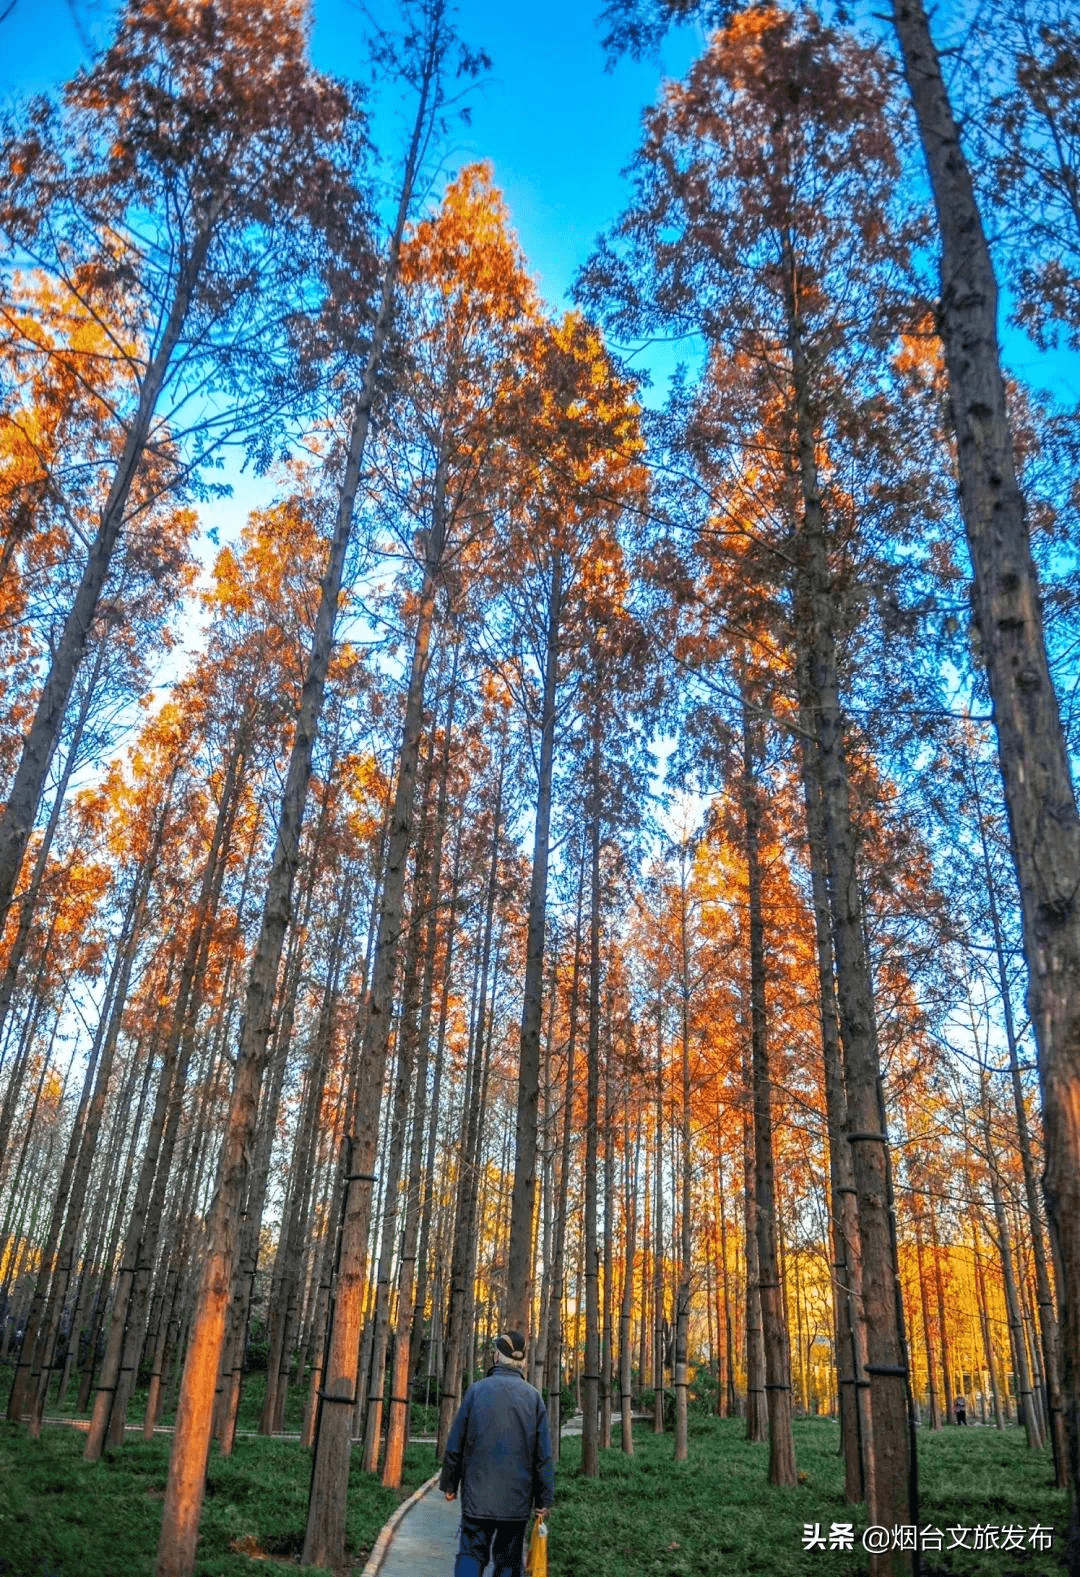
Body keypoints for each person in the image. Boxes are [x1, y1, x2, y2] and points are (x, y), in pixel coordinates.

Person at [439, 1329, 554, 1577]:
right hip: (516, 1501)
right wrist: (544, 1499)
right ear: (522, 1362)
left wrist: (450, 1483)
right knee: (509, 1564)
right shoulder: (534, 1399)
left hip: (477, 1498)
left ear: (496, 1356)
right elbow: (543, 1456)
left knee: (470, 1555)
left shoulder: (476, 1392)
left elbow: (456, 1442)